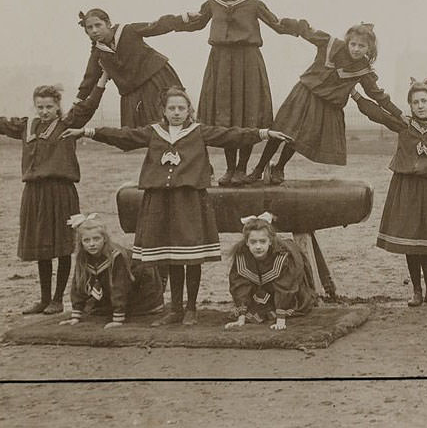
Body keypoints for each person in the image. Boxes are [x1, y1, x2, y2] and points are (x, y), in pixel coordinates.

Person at [64, 87, 278, 326]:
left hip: (189, 201)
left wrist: (264, 133)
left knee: (191, 256)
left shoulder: (199, 131)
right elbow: (124, 136)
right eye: (172, 108)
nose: (177, 112)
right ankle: (175, 308)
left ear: (189, 111)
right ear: (164, 111)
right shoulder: (153, 132)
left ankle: (191, 309)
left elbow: (231, 135)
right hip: (160, 203)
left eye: (181, 108)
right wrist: (89, 131)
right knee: (171, 255)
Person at [0, 74, 107, 314]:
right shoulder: (27, 125)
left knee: (61, 247)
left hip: (61, 192)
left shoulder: (68, 123)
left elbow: (88, 106)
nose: (44, 111)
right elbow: (2, 124)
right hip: (34, 194)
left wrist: (102, 82)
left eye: (49, 106)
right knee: (42, 247)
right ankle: (44, 299)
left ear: (58, 106)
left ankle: (58, 299)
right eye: (40, 107)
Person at [166, 0, 297, 186]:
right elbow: (196, 24)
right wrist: (176, 21)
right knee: (225, 116)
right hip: (221, 63)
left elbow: (277, 25)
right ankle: (229, 169)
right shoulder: (212, 4)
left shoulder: (254, 3)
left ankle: (241, 169)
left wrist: (303, 29)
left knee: (246, 114)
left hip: (248, 63)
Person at [250, 20, 401, 184]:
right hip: (304, 93)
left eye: (362, 46)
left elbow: (377, 95)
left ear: (369, 49)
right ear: (347, 41)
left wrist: (399, 114)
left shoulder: (363, 69)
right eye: (353, 44)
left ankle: (279, 167)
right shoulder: (331, 44)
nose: (356, 49)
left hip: (324, 104)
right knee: (283, 129)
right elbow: (306, 31)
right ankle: (258, 168)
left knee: (298, 138)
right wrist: (285, 23)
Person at [352, 77, 427, 307]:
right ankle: (416, 290)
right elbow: (377, 114)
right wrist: (356, 95)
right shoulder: (403, 124)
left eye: (424, 101)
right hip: (405, 186)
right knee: (410, 240)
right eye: (415, 102)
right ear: (410, 105)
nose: (420, 106)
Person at [74, 8, 187, 127]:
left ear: (108, 24)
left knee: (169, 120)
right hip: (132, 92)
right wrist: (77, 102)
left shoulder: (128, 30)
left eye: (98, 25)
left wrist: (184, 18)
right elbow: (89, 79)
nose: (94, 30)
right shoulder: (98, 53)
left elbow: (156, 26)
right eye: (90, 28)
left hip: (156, 80)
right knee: (138, 134)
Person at [60, 213, 164, 328]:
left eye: (96, 239)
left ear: (105, 239)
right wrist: (76, 316)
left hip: (141, 291)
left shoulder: (116, 256)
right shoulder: (83, 257)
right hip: (115, 290)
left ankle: (121, 310)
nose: (92, 244)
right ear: (81, 243)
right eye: (86, 240)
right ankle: (113, 306)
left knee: (106, 308)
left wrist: (117, 319)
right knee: (93, 308)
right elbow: (78, 284)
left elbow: (119, 286)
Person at [224, 213, 318, 331]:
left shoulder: (283, 258)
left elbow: (285, 287)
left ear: (270, 241)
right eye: (253, 242)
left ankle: (278, 309)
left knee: (295, 306)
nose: (258, 246)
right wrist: (241, 318)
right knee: (254, 312)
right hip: (261, 292)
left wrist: (280, 320)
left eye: (262, 241)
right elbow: (239, 286)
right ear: (247, 242)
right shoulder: (242, 256)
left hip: (285, 293)